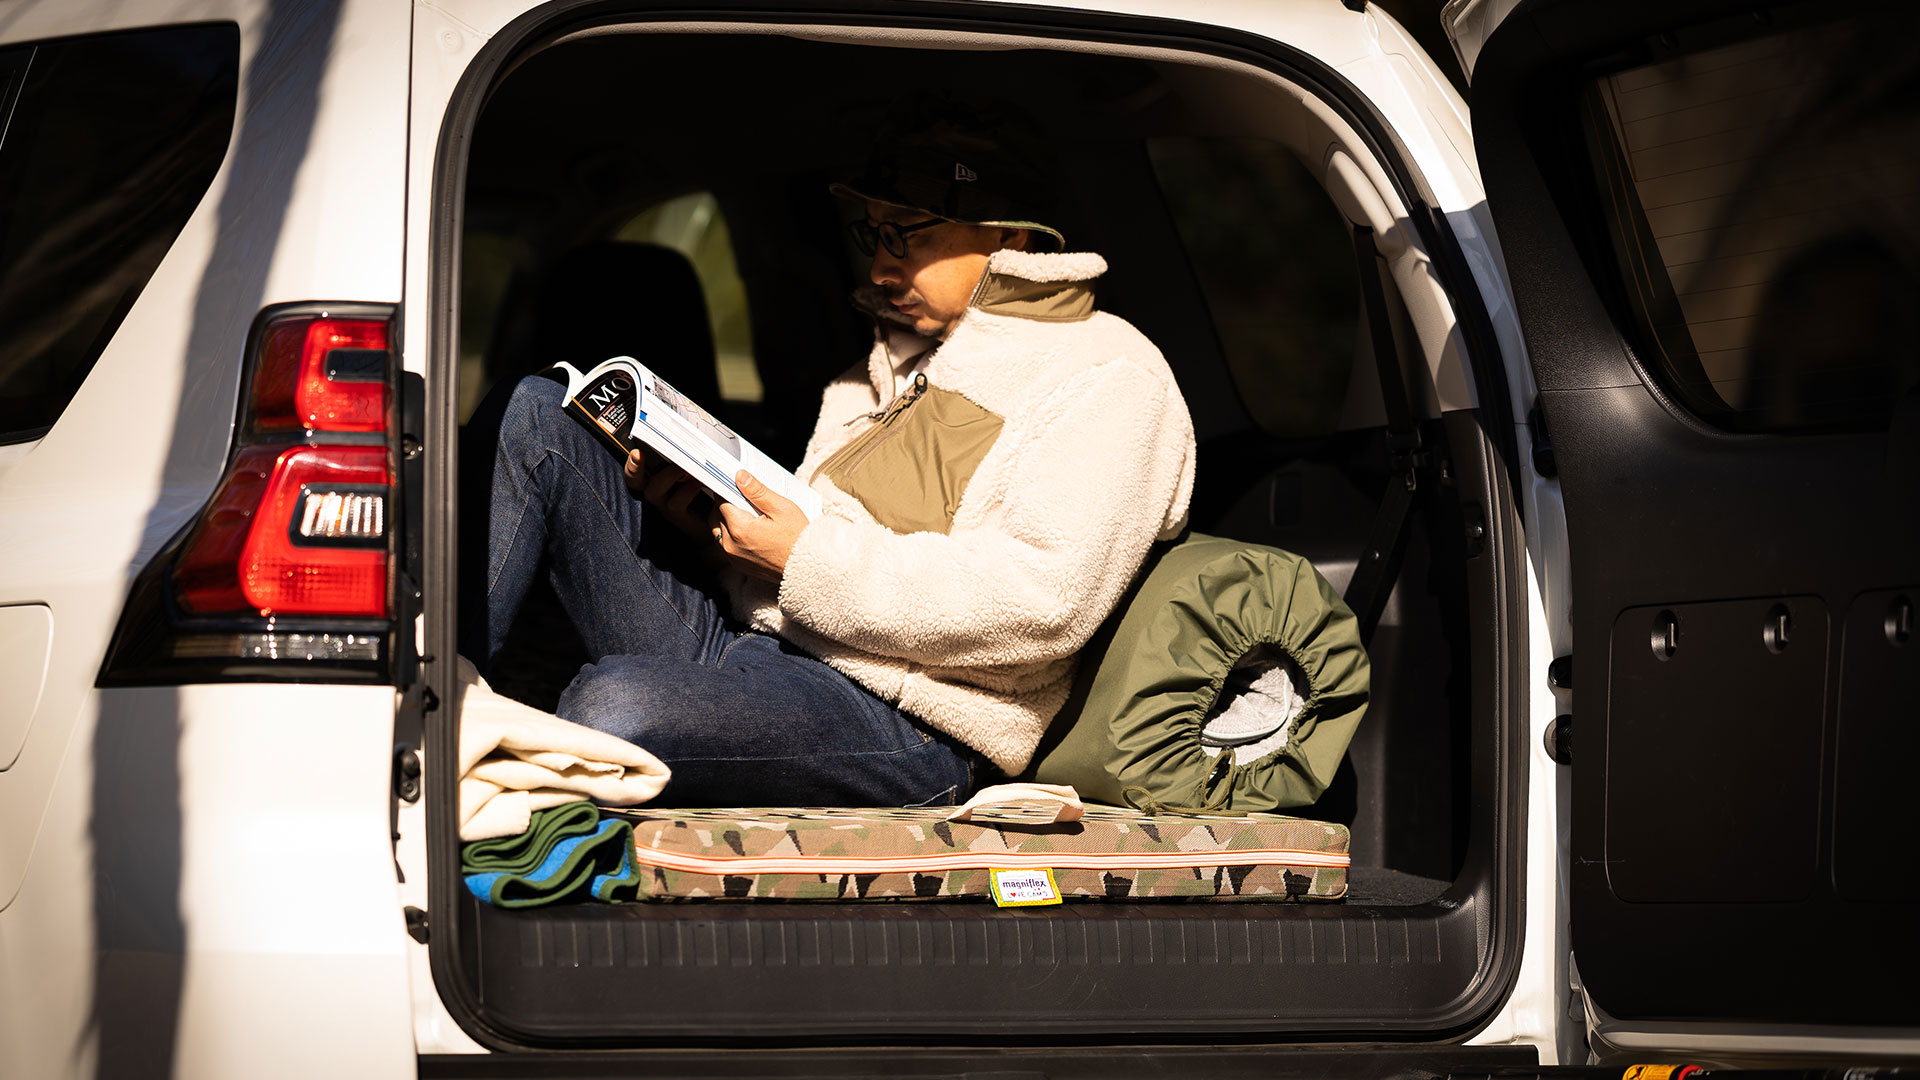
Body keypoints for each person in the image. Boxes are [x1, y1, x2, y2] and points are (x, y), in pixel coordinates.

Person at [465, 101, 1195, 807]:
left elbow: (1040, 606)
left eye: (907, 235)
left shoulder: (1107, 373)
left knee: (610, 704)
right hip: (757, 645)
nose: (880, 267)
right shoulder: (877, 366)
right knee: (535, 411)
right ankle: (439, 695)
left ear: (1009, 235)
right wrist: (714, 532)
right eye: (874, 234)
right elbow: (802, 545)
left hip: (912, 721)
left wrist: (801, 558)